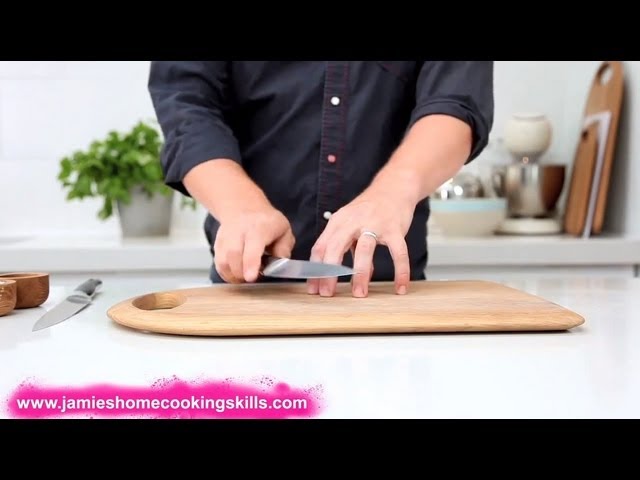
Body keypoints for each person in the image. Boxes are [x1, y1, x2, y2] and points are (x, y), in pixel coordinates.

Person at [148, 61, 494, 298]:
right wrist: (241, 206)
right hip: (250, 296)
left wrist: (390, 195)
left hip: (388, 299)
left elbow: (456, 101)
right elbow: (187, 104)